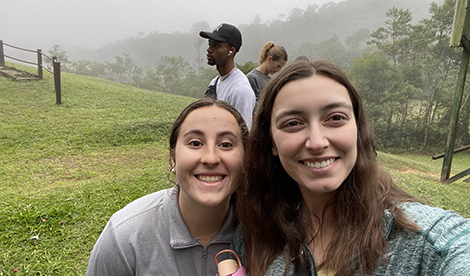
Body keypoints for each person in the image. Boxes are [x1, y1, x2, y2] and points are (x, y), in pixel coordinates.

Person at [233, 60, 470, 276]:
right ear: (272, 142)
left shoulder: (424, 238)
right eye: (293, 123)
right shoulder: (253, 235)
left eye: (335, 118)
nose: (317, 142)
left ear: (358, 129)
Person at [87, 98, 248, 276]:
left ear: (245, 159)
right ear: (173, 158)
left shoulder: (265, 231)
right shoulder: (124, 238)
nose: (210, 158)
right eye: (195, 143)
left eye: (225, 145)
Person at [200, 23, 256, 130]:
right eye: (209, 44)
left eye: (216, 45)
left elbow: (243, 134)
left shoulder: (240, 90)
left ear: (231, 51)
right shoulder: (215, 82)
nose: (209, 49)